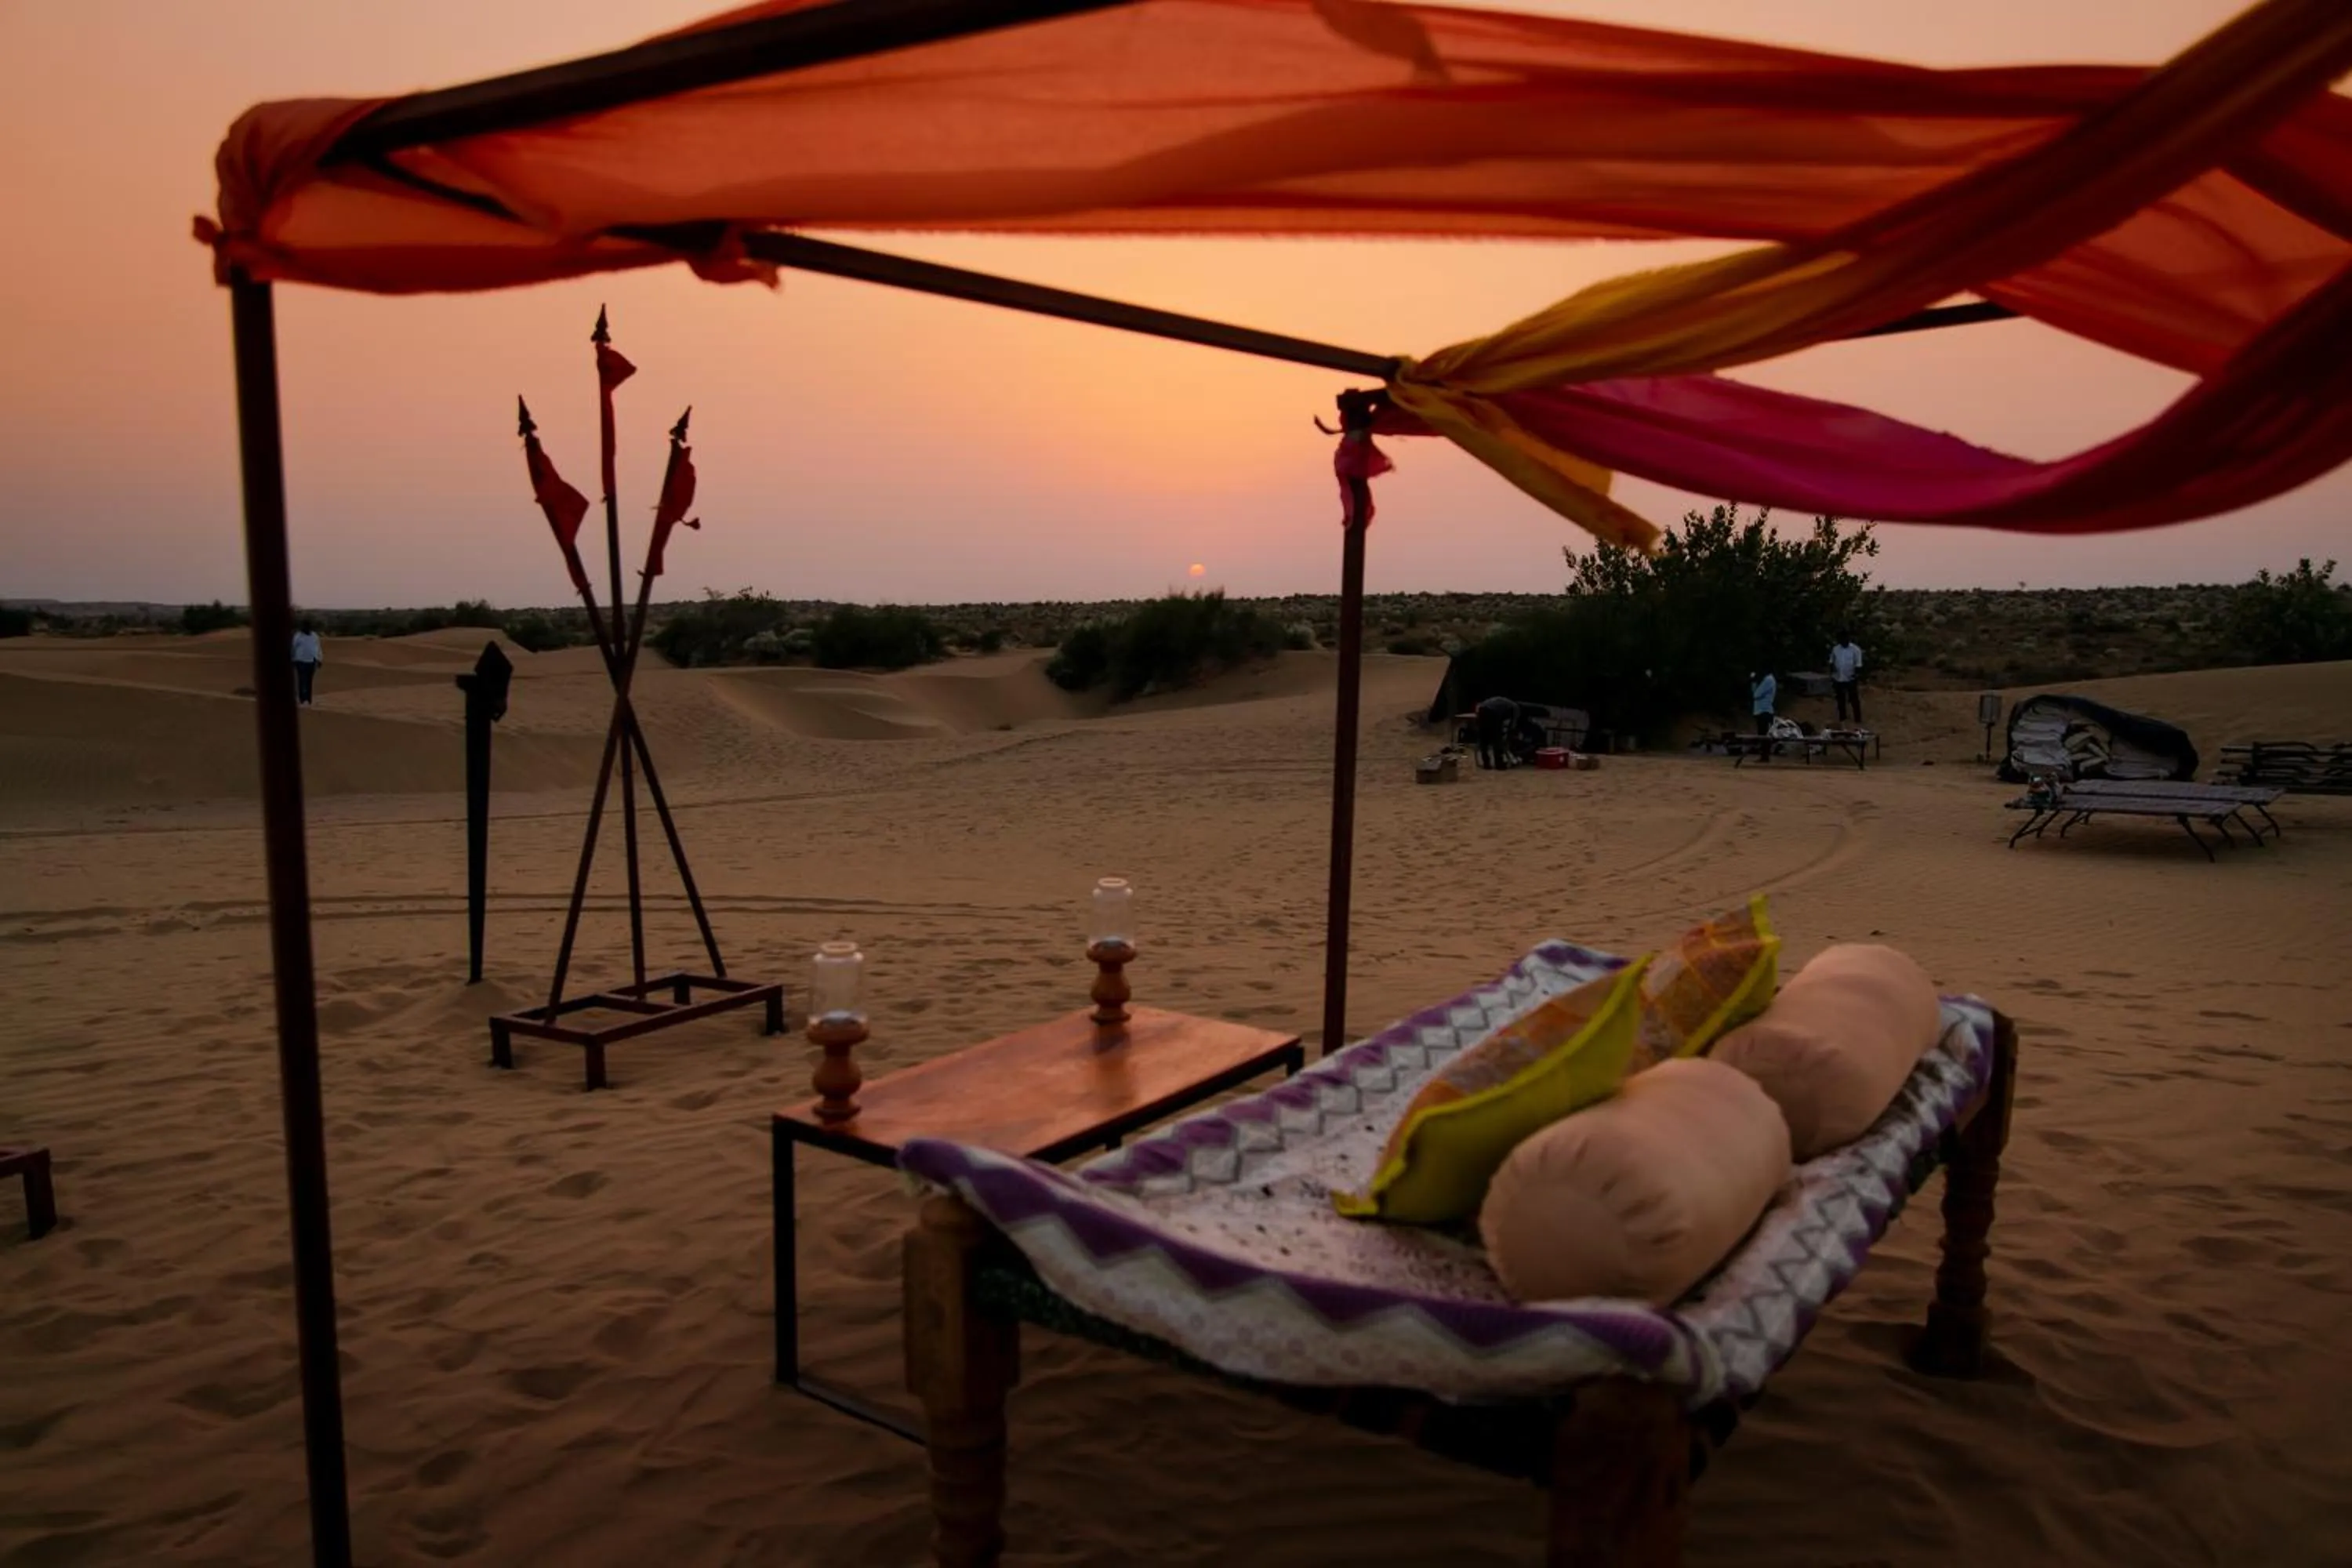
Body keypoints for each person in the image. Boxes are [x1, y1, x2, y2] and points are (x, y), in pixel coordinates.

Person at [1474, 693, 1519, 771]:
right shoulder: (1515, 707)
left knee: (1484, 739)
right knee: (1497, 740)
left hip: (1482, 710)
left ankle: (1486, 764)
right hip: (1492, 713)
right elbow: (1513, 724)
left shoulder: (1505, 703)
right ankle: (1499, 764)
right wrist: (1508, 735)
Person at [1830, 630, 1864, 726]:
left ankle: (1857, 718)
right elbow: (1832, 662)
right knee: (1840, 699)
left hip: (1850, 678)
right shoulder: (1835, 649)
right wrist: (1832, 675)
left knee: (1854, 699)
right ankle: (1842, 717)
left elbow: (1858, 664)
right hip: (1838, 678)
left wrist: (1856, 676)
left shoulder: (1855, 650)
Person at [291, 622, 324, 706]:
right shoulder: (298, 636)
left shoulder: (314, 636)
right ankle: (302, 699)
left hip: (311, 662)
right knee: (302, 680)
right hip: (300, 661)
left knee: (309, 681)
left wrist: (320, 659)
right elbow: (293, 648)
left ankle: (308, 700)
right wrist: (292, 659)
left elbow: (318, 648)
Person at [1748, 670, 1777, 736]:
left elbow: (1756, 694)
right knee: (1762, 734)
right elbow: (1754, 694)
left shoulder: (1768, 680)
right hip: (1760, 711)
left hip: (1764, 711)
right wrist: (1754, 682)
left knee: (1764, 735)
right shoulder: (1767, 679)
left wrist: (1754, 682)